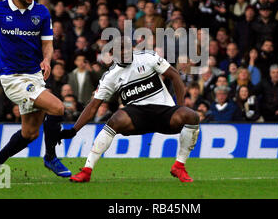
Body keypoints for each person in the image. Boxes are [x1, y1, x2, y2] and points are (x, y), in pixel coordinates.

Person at [0, 0, 71, 182]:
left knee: (30, 133)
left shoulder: (42, 12)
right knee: (57, 107)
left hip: (34, 75)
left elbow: (47, 43)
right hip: (12, 77)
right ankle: (51, 157)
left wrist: (47, 60)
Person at [59, 38, 200, 183]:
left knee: (192, 116)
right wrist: (74, 129)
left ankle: (179, 166)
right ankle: (87, 170)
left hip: (163, 111)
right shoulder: (110, 76)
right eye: (120, 49)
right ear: (112, 54)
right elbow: (93, 106)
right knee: (115, 120)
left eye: (127, 48)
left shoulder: (148, 57)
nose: (125, 51)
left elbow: (175, 75)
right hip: (137, 114)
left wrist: (180, 106)